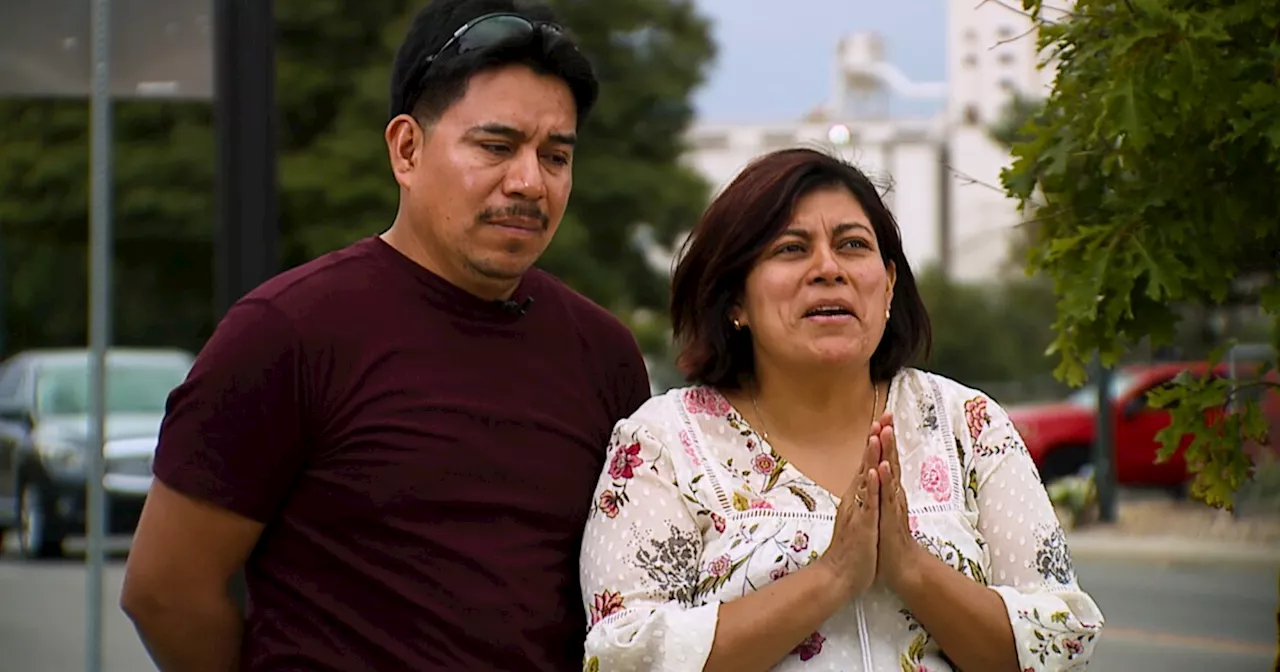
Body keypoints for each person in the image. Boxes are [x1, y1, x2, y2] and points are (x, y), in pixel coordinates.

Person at [120, 1, 651, 670]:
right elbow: (166, 591)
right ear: (406, 149)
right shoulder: (288, 333)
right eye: (495, 146)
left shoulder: (604, 356)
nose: (528, 182)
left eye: (555, 156)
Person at [578, 148, 1104, 671]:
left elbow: (1060, 643)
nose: (828, 268)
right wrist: (832, 575)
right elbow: (626, 656)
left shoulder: (967, 425)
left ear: (889, 284)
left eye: (853, 245)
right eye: (791, 249)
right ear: (735, 300)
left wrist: (911, 569)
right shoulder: (663, 443)